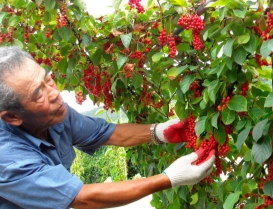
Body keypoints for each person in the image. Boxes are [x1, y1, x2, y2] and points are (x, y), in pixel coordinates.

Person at [0, 46, 215, 209]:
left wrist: (159, 132)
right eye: (38, 94)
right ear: (12, 116)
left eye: (49, 79)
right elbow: (81, 197)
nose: (54, 93)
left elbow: (105, 133)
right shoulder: (7, 158)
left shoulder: (54, 114)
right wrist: (170, 178)